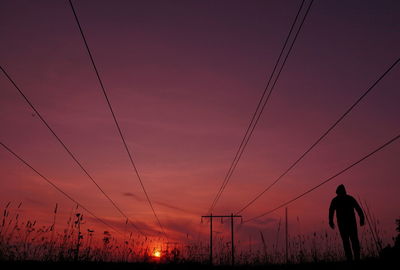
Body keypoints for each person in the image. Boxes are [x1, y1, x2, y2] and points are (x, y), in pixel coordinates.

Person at [329, 184, 365, 261]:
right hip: (346, 224)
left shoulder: (340, 200)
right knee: (350, 241)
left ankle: (354, 258)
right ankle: (352, 258)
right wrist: (330, 221)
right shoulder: (347, 199)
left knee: (350, 241)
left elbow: (358, 208)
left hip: (347, 224)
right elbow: (331, 211)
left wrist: (362, 218)